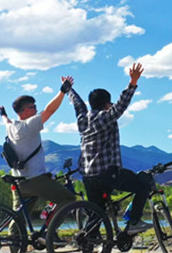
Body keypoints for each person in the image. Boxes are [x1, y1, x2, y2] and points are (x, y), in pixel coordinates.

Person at [0, 76, 77, 253]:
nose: (36, 109)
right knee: (69, 199)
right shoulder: (29, 125)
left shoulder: (11, 127)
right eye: (32, 107)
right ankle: (50, 232)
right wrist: (63, 91)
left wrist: (3, 114)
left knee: (18, 220)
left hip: (19, 181)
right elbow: (50, 110)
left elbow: (6, 121)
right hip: (34, 179)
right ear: (25, 111)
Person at [66, 63, 153, 236]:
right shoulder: (105, 117)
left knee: (96, 214)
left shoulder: (82, 119)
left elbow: (78, 104)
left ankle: (88, 247)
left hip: (88, 176)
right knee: (143, 185)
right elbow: (121, 106)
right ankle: (134, 221)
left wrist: (69, 89)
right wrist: (132, 83)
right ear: (107, 104)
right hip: (108, 174)